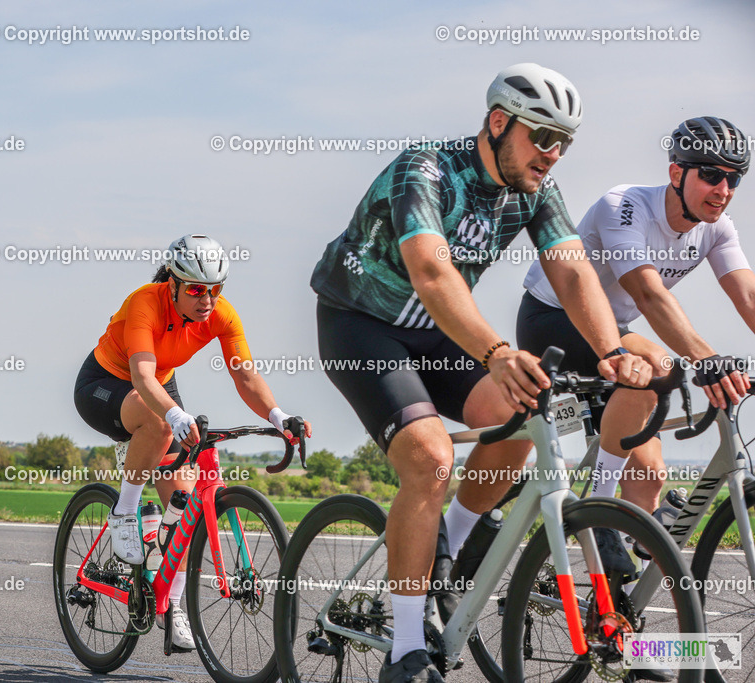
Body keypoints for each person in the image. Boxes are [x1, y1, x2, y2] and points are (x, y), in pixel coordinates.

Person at [310, 63, 652, 682]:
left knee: (518, 421)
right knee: (431, 458)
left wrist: (609, 351)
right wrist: (497, 352)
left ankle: (456, 539)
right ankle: (407, 646)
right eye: (542, 137)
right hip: (361, 323)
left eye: (565, 142)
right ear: (499, 123)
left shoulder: (535, 191)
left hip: (432, 329)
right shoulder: (426, 170)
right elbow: (433, 272)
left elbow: (572, 271)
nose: (553, 154)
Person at [519, 116, 752, 561]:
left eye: (734, 177)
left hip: (616, 336)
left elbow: (748, 296)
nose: (723, 188)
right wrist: (708, 359)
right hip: (553, 321)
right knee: (660, 367)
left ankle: (611, 607)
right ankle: (600, 509)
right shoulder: (624, 205)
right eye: (711, 174)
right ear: (676, 173)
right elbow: (647, 293)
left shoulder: (719, 228)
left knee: (649, 474)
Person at [74, 234, 311, 652]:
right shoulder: (145, 302)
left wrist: (277, 416)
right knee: (161, 423)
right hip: (106, 384)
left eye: (216, 289)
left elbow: (246, 375)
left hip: (160, 389)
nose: (207, 299)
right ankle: (124, 512)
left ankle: (174, 605)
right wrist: (174, 416)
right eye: (198, 289)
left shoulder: (222, 314)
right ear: (174, 283)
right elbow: (142, 377)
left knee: (183, 508)